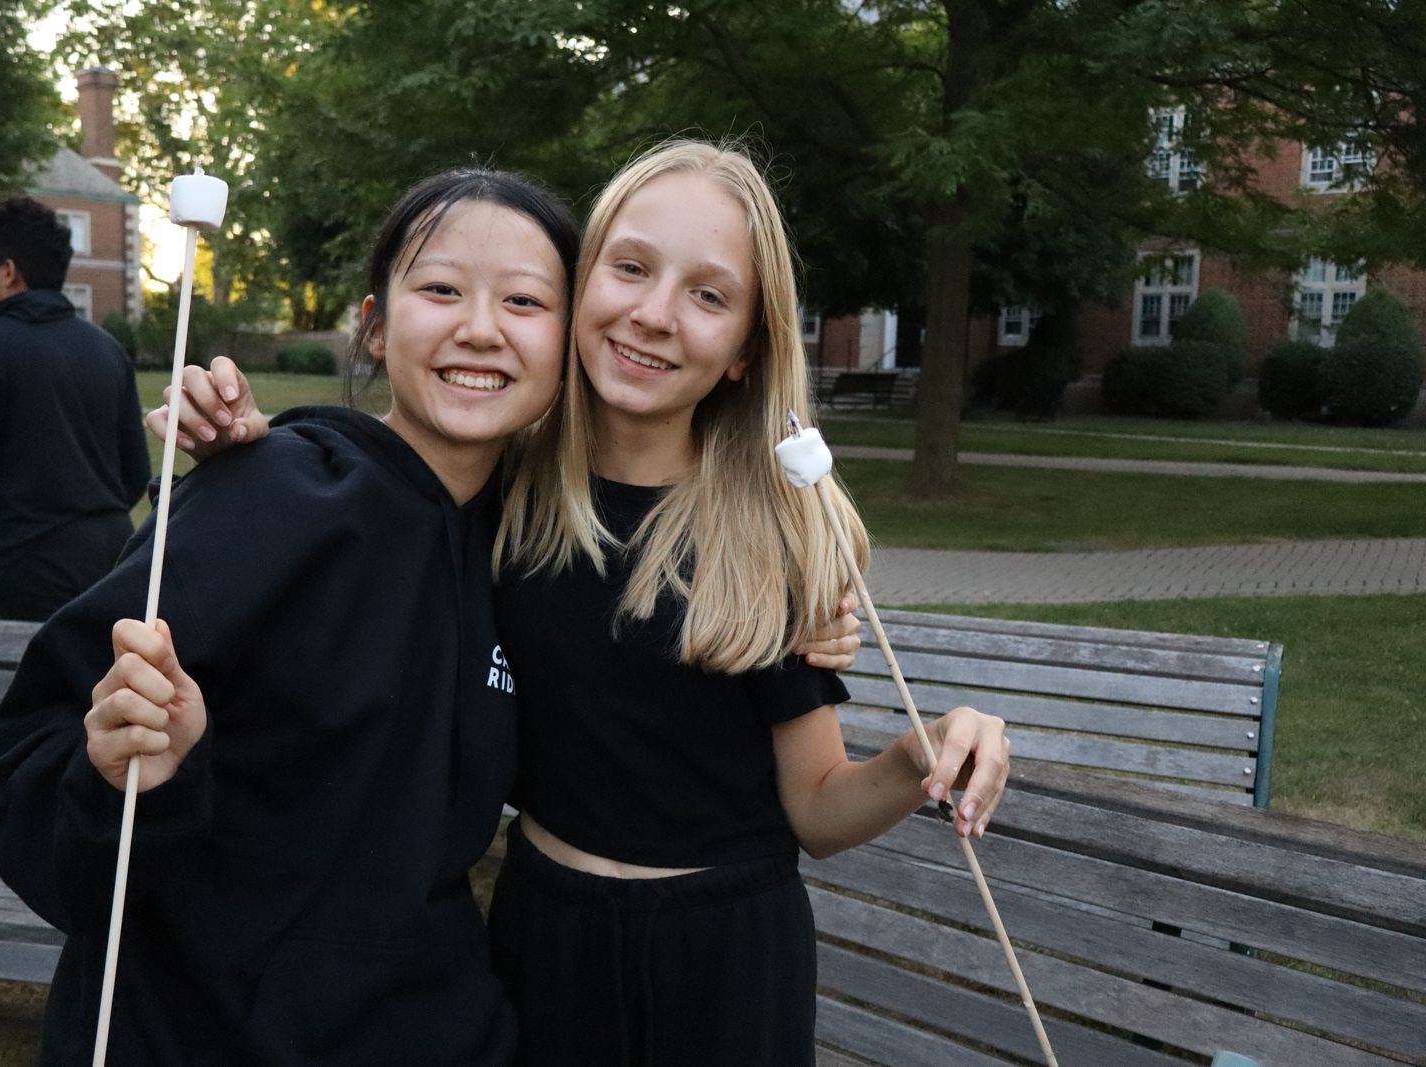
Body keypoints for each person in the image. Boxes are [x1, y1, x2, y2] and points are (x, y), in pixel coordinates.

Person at [163, 139, 1009, 1066]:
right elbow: (371, 500)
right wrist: (236, 438)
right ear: (577, 291)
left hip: (723, 954)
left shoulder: (770, 534)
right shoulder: (503, 493)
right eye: (631, 268)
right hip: (542, 934)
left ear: (744, 351)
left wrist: (916, 757)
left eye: (709, 295)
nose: (654, 314)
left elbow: (817, 809)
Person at [0, 170, 581, 1065]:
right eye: (441, 289)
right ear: (375, 327)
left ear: (568, 342)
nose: (481, 327)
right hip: (203, 1032)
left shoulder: (532, 554)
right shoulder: (273, 495)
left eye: (525, 300)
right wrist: (129, 776)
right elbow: (42, 761)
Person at [0, 196, 151, 622]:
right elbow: (135, 473)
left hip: (33, 565)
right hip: (113, 559)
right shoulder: (108, 349)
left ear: (8, 272)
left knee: (41, 667)